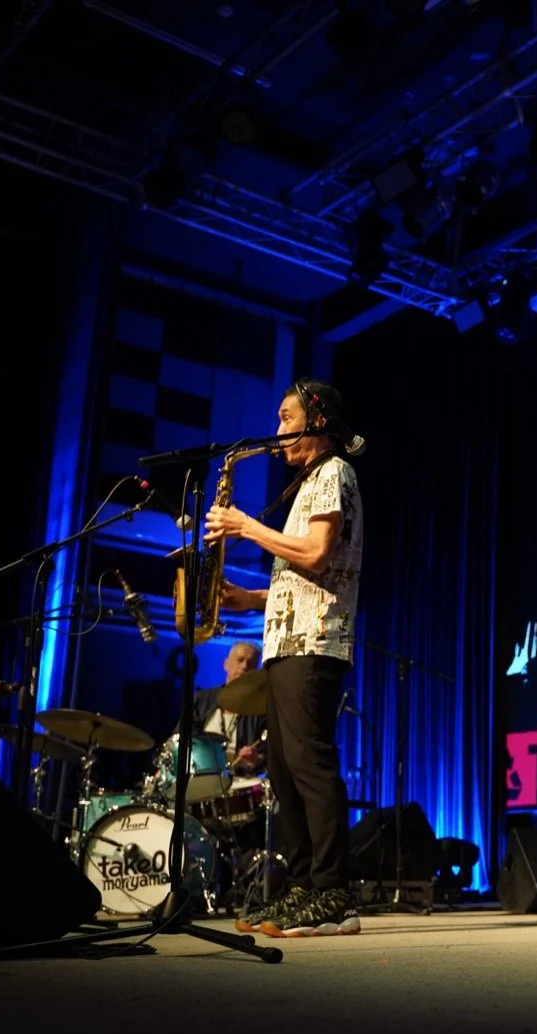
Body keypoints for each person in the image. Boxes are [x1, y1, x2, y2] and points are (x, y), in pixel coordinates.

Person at [206, 379, 365, 938]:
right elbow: (302, 573)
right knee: (283, 770)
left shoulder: (334, 472)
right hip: (285, 641)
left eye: (285, 418)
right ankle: (302, 887)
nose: (277, 432)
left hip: (314, 643)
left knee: (310, 765)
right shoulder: (308, 483)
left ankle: (334, 895)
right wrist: (249, 599)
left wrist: (246, 526)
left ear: (316, 421)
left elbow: (318, 555)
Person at [193, 640, 264, 773]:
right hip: (198, 774)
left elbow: (266, 756)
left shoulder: (260, 712)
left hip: (239, 779)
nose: (244, 666)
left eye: (250, 663)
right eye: (240, 660)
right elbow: (178, 738)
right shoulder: (201, 700)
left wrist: (256, 759)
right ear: (226, 664)